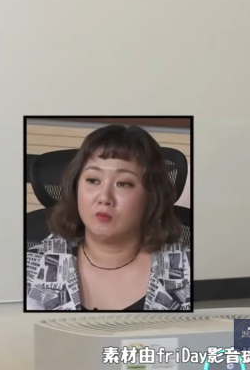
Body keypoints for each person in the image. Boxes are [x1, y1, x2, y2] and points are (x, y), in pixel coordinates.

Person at [25, 125, 191, 311]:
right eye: (93, 180)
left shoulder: (189, 271)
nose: (104, 197)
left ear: (151, 196)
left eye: (123, 183)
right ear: (75, 187)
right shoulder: (29, 269)